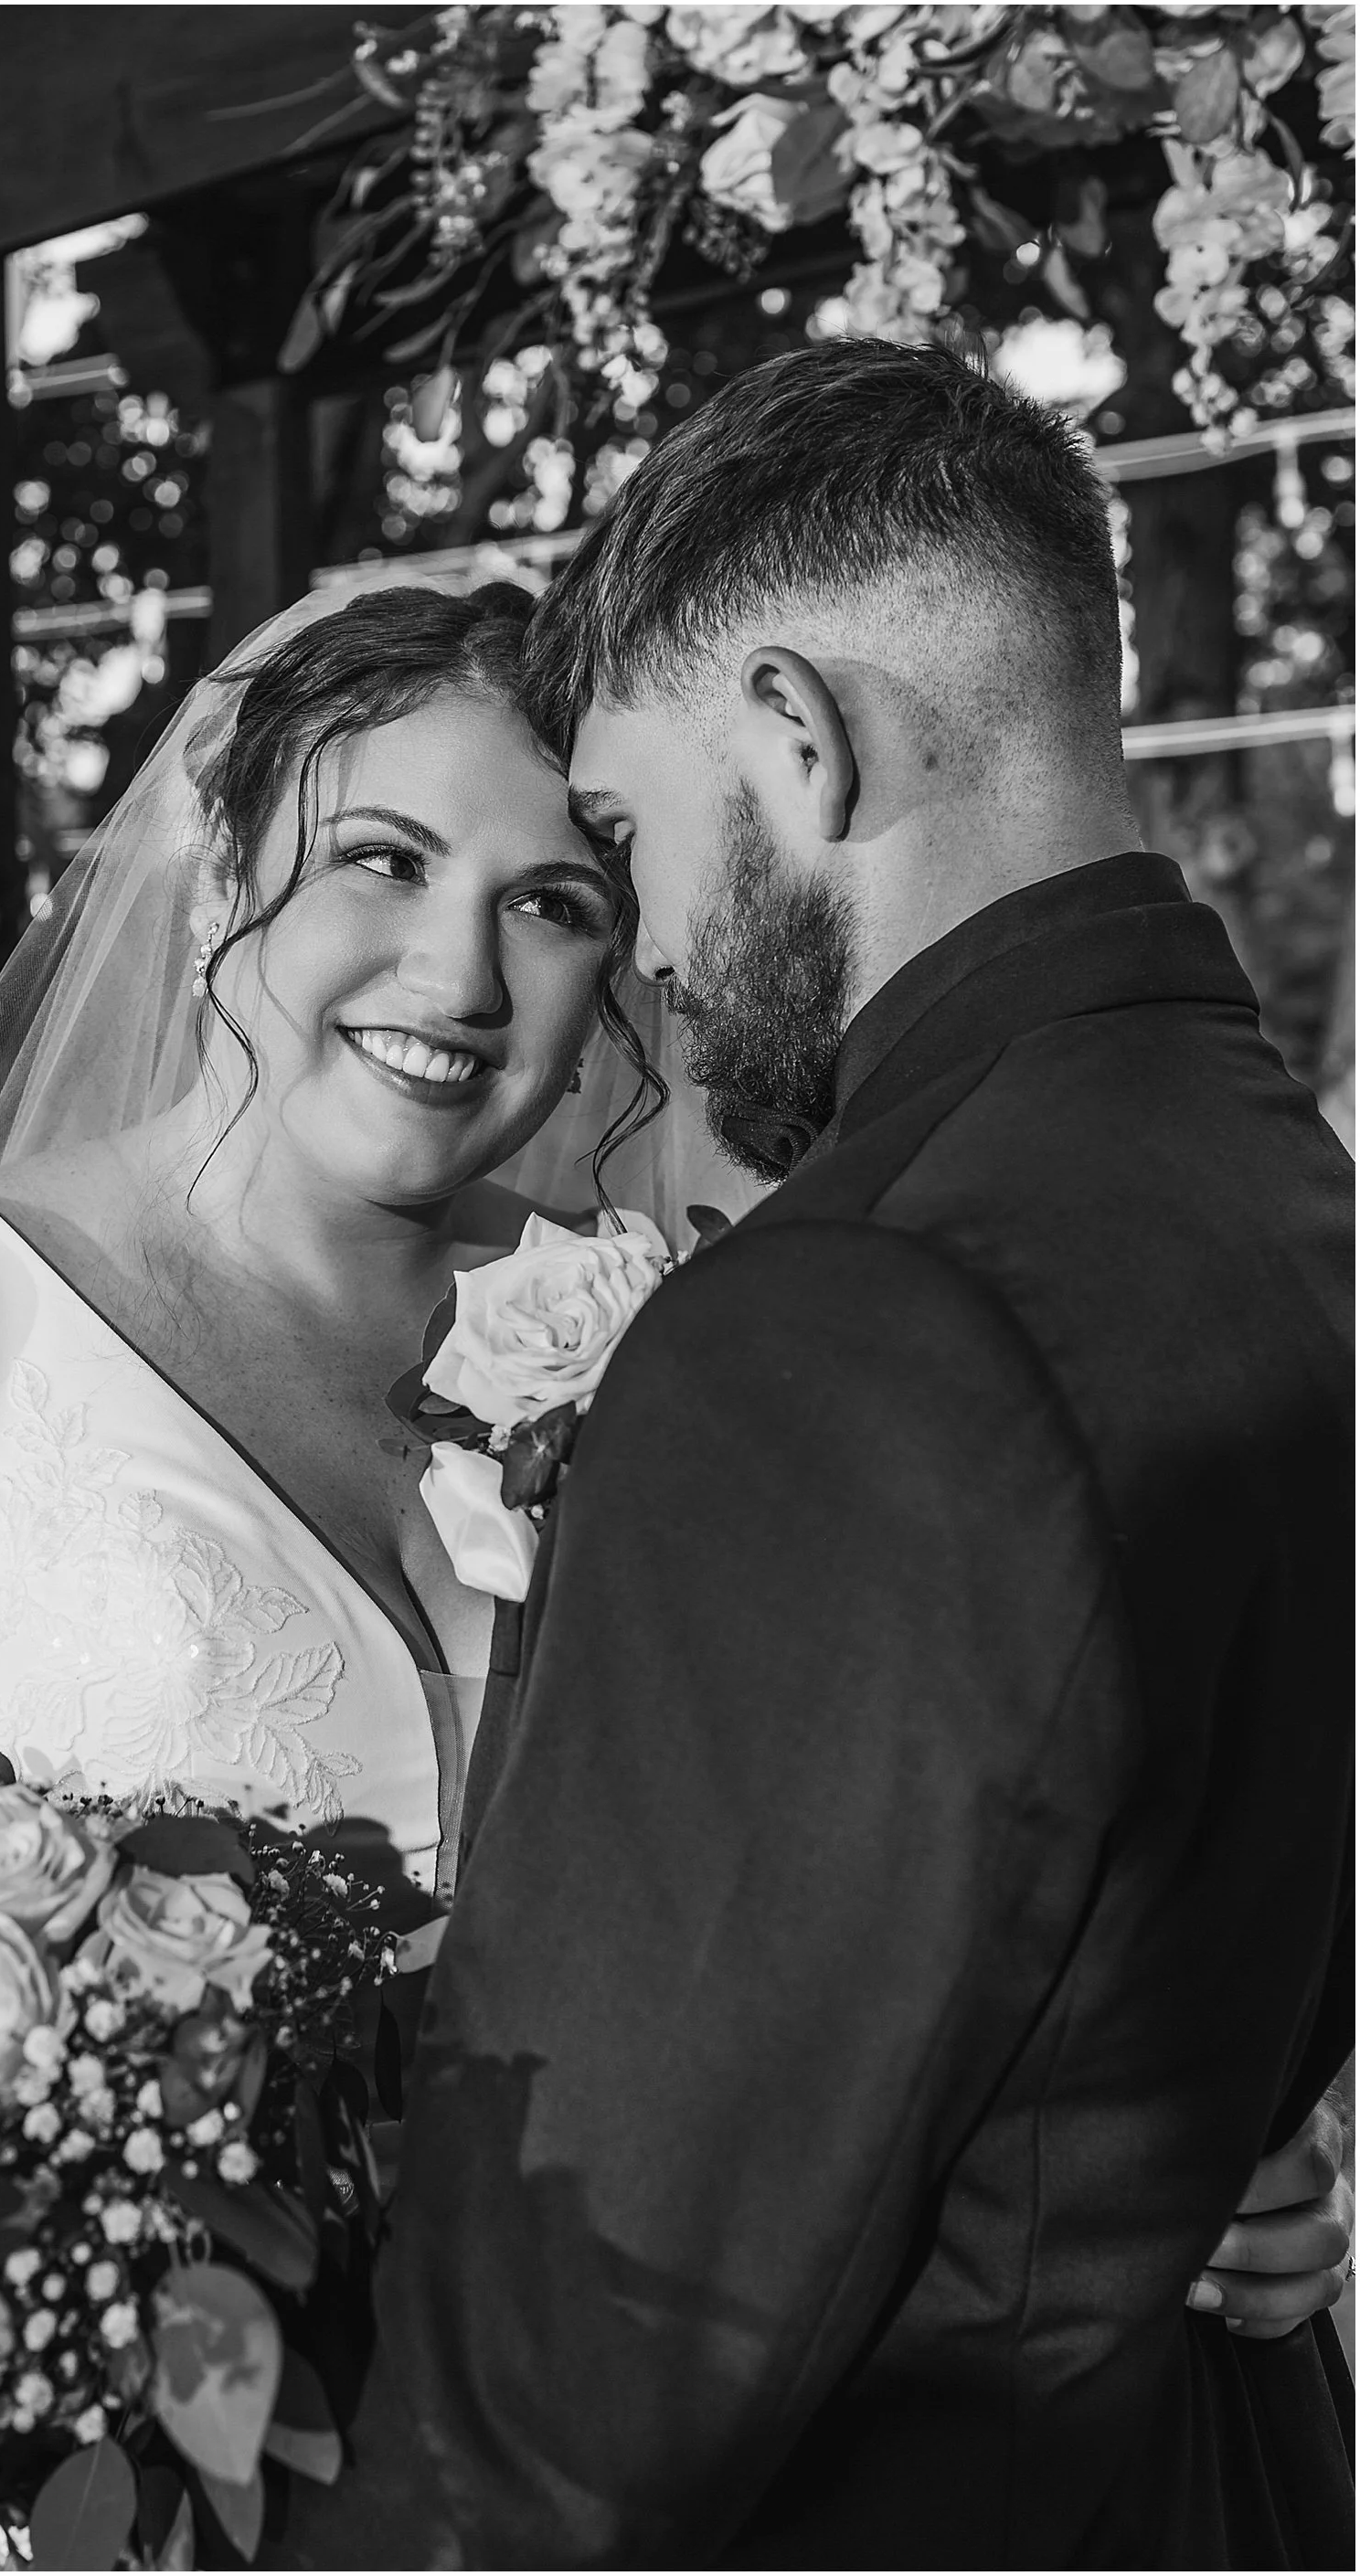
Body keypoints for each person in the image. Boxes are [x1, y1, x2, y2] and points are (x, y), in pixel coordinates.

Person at [280, 343, 1355, 2568]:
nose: (647, 957)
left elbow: (590, 2357)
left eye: (624, 841)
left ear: (802, 729)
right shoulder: (1292, 1203)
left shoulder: (864, 1318)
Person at [0, 583, 671, 1927]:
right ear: (223, 873)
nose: (459, 980)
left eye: (548, 902)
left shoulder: (651, 1330)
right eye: (384, 859)